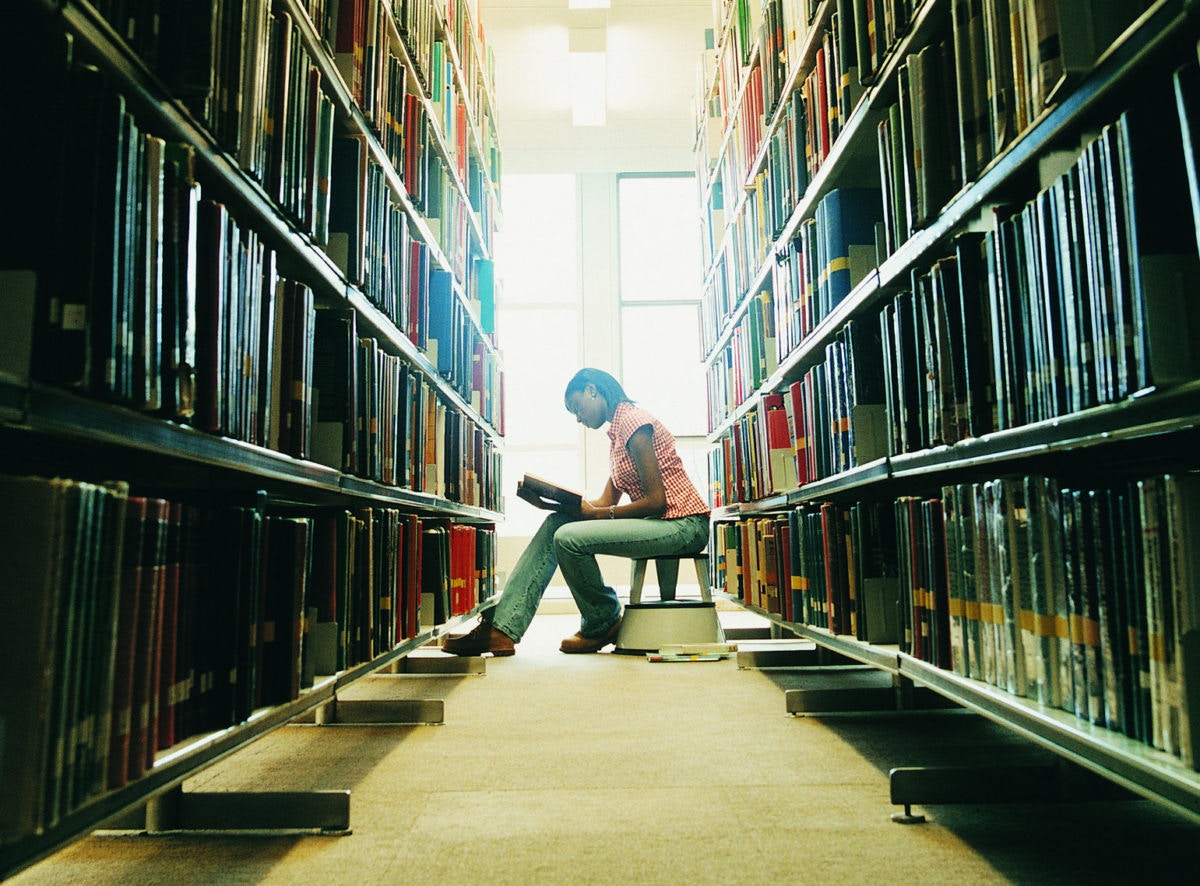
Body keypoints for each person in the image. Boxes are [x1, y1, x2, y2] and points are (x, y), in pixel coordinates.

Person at [443, 368, 710, 656]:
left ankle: (602, 621)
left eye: (577, 408)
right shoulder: (618, 434)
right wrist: (552, 503)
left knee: (568, 538)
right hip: (663, 524)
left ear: (592, 390)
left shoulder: (634, 422)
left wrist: (597, 515)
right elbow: (606, 500)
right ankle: (502, 628)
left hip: (683, 525)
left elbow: (656, 502)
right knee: (557, 523)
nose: (578, 418)